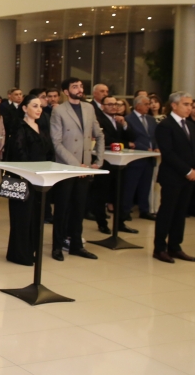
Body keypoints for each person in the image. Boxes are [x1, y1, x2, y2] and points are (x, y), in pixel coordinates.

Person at [48, 77, 102, 262]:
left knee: (79, 208)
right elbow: (56, 142)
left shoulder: (89, 108)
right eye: (75, 86)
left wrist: (98, 160)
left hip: (85, 166)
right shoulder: (59, 111)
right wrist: (75, 164)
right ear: (66, 91)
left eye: (80, 86)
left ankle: (76, 245)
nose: (79, 89)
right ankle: (57, 246)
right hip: (66, 166)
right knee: (62, 208)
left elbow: (99, 134)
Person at [4, 95, 53, 266]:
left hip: (40, 179)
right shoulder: (20, 128)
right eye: (35, 106)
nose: (39, 109)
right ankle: (19, 254)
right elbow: (19, 154)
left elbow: (49, 152)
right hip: (24, 179)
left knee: (35, 216)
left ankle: (31, 250)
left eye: (40, 106)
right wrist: (32, 172)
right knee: (22, 217)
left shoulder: (41, 127)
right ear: (25, 108)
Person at [153, 91, 195, 264]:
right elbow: (168, 153)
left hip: (189, 177)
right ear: (174, 105)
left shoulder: (191, 125)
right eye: (186, 104)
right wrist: (187, 171)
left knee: (181, 213)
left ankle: (175, 246)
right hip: (172, 176)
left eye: (191, 105)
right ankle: (160, 248)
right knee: (167, 212)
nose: (190, 108)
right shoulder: (165, 125)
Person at [91, 96, 131, 234]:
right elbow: (106, 139)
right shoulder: (99, 120)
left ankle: (120, 222)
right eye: (110, 104)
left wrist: (124, 125)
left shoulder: (119, 120)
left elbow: (131, 136)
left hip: (119, 162)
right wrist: (126, 144)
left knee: (119, 193)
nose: (114, 107)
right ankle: (102, 223)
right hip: (105, 161)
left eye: (115, 104)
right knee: (101, 194)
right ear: (102, 106)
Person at [123, 95, 158, 223]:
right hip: (136, 157)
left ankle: (144, 210)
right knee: (130, 186)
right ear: (137, 105)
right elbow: (131, 138)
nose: (149, 106)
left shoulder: (151, 119)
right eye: (146, 104)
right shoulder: (129, 119)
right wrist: (144, 148)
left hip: (150, 157)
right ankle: (125, 211)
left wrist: (156, 147)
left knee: (146, 185)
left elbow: (155, 136)